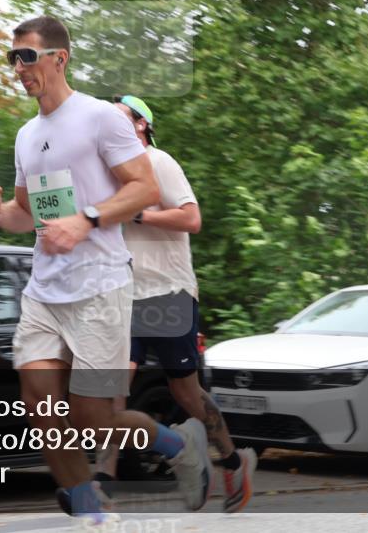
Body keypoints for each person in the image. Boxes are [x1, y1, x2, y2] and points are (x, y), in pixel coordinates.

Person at [0, 16, 213, 524]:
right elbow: (28, 214)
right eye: (12, 58)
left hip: (100, 288)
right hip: (45, 292)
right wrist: (1, 216)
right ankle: (92, 515)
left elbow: (144, 189)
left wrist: (86, 220)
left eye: (27, 56)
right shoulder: (25, 135)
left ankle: (179, 444)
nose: (18, 68)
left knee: (93, 423)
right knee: (42, 408)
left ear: (59, 58)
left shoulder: (102, 118)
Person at [93, 95, 257, 513]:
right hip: (123, 295)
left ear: (142, 125)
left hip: (168, 292)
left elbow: (191, 218)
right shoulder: (106, 176)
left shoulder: (158, 163)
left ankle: (232, 461)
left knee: (185, 392)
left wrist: (139, 215)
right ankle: (102, 482)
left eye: (120, 118)